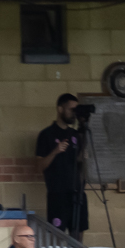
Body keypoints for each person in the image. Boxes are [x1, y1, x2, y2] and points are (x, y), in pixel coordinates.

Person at [37, 93, 87, 235]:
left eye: (76, 110)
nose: (74, 113)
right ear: (60, 109)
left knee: (78, 238)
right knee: (56, 237)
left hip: (77, 194)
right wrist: (55, 151)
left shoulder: (76, 135)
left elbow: (80, 164)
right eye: (71, 109)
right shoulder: (46, 134)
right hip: (58, 195)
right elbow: (39, 166)